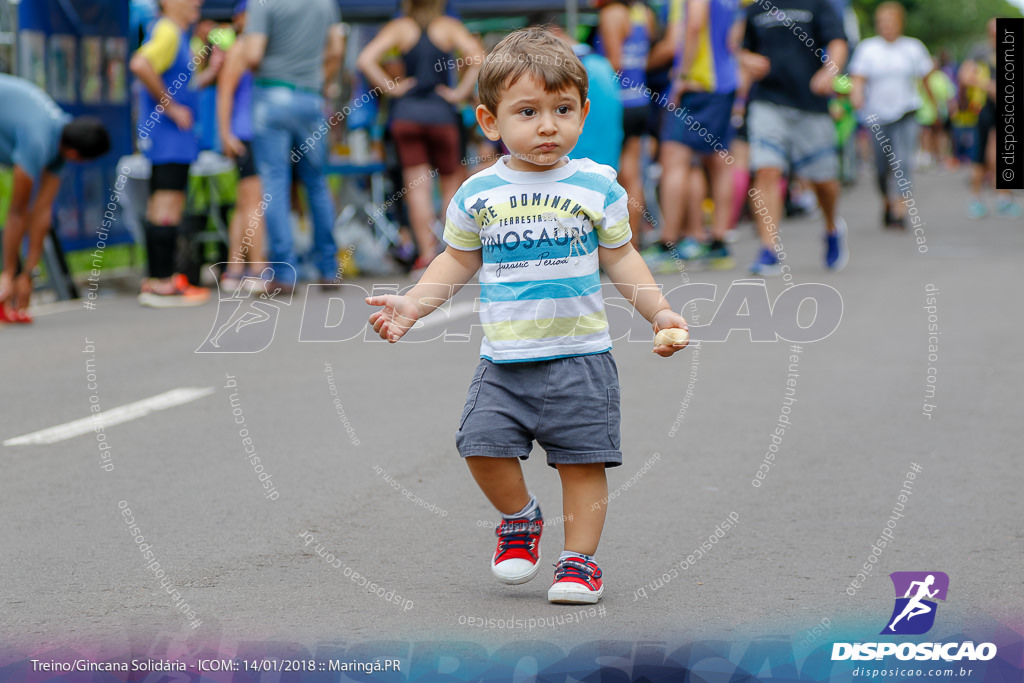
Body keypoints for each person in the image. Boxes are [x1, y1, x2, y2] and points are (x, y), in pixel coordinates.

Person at [365, 28, 689, 605]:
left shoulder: (596, 187)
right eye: (528, 112)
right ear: (490, 122)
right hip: (505, 361)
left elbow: (621, 257)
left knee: (583, 464)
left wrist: (660, 311)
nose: (547, 125)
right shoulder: (477, 193)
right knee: (480, 443)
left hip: (582, 357)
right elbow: (457, 259)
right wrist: (414, 303)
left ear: (584, 113)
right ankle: (520, 519)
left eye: (563, 110)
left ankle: (579, 563)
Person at [357, 0, 484, 272]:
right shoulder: (448, 27)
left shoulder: (400, 27)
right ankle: (453, 255)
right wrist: (459, 93)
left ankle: (426, 256)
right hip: (441, 114)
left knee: (417, 189)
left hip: (406, 114)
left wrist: (392, 88)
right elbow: (477, 57)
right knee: (451, 185)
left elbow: (365, 59)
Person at [240, 0, 345, 292]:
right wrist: (316, 79)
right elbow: (336, 49)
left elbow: (253, 54)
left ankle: (285, 274)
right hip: (310, 99)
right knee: (316, 183)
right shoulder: (325, 4)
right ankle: (328, 268)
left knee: (274, 182)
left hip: (271, 97)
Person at [740, 0, 849, 274]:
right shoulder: (755, 9)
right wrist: (747, 59)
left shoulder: (816, 4)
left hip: (810, 104)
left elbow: (838, 42)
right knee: (766, 170)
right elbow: (741, 50)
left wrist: (830, 71)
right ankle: (768, 249)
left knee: (824, 182)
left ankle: (832, 228)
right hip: (767, 103)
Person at [0, 75, 110, 322]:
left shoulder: (61, 135)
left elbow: (41, 211)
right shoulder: (37, 142)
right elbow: (18, 211)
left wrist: (28, 274)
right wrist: (9, 273)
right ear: (75, 153)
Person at [130, 0, 218, 307]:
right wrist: (171, 108)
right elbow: (140, 64)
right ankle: (162, 282)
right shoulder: (167, 30)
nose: (198, 3)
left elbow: (186, 83)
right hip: (167, 138)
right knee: (167, 206)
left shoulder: (178, 33)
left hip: (174, 139)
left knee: (163, 206)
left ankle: (160, 279)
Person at [655, 0, 741, 269]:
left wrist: (681, 77)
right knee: (716, 160)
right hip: (725, 81)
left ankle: (668, 243)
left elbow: (693, 25)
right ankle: (718, 243)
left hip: (699, 83)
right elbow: (734, 36)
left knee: (674, 157)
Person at [849, 2, 933, 230]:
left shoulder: (913, 47)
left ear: (900, 23)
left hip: (906, 112)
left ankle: (899, 210)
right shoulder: (868, 48)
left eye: (890, 22)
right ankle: (887, 201)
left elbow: (926, 79)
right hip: (877, 115)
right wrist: (856, 96)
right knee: (881, 167)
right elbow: (858, 78)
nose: (886, 27)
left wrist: (934, 105)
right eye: (882, 22)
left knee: (903, 161)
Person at [593, 0, 656, 250]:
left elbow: (615, 62)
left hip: (618, 102)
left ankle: (618, 245)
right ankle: (633, 244)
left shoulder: (611, 13)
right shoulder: (642, 12)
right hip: (639, 99)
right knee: (633, 175)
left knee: (612, 174)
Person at [217, 0, 265, 290]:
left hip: (248, 132)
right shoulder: (242, 48)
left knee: (243, 204)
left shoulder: (253, 47)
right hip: (247, 134)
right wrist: (226, 133)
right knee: (254, 203)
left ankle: (234, 270)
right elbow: (225, 93)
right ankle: (258, 270)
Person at [959, 18, 1021, 219]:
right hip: (984, 108)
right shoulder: (980, 51)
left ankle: (1003, 198)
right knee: (982, 152)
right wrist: (989, 85)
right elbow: (965, 76)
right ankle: (976, 198)